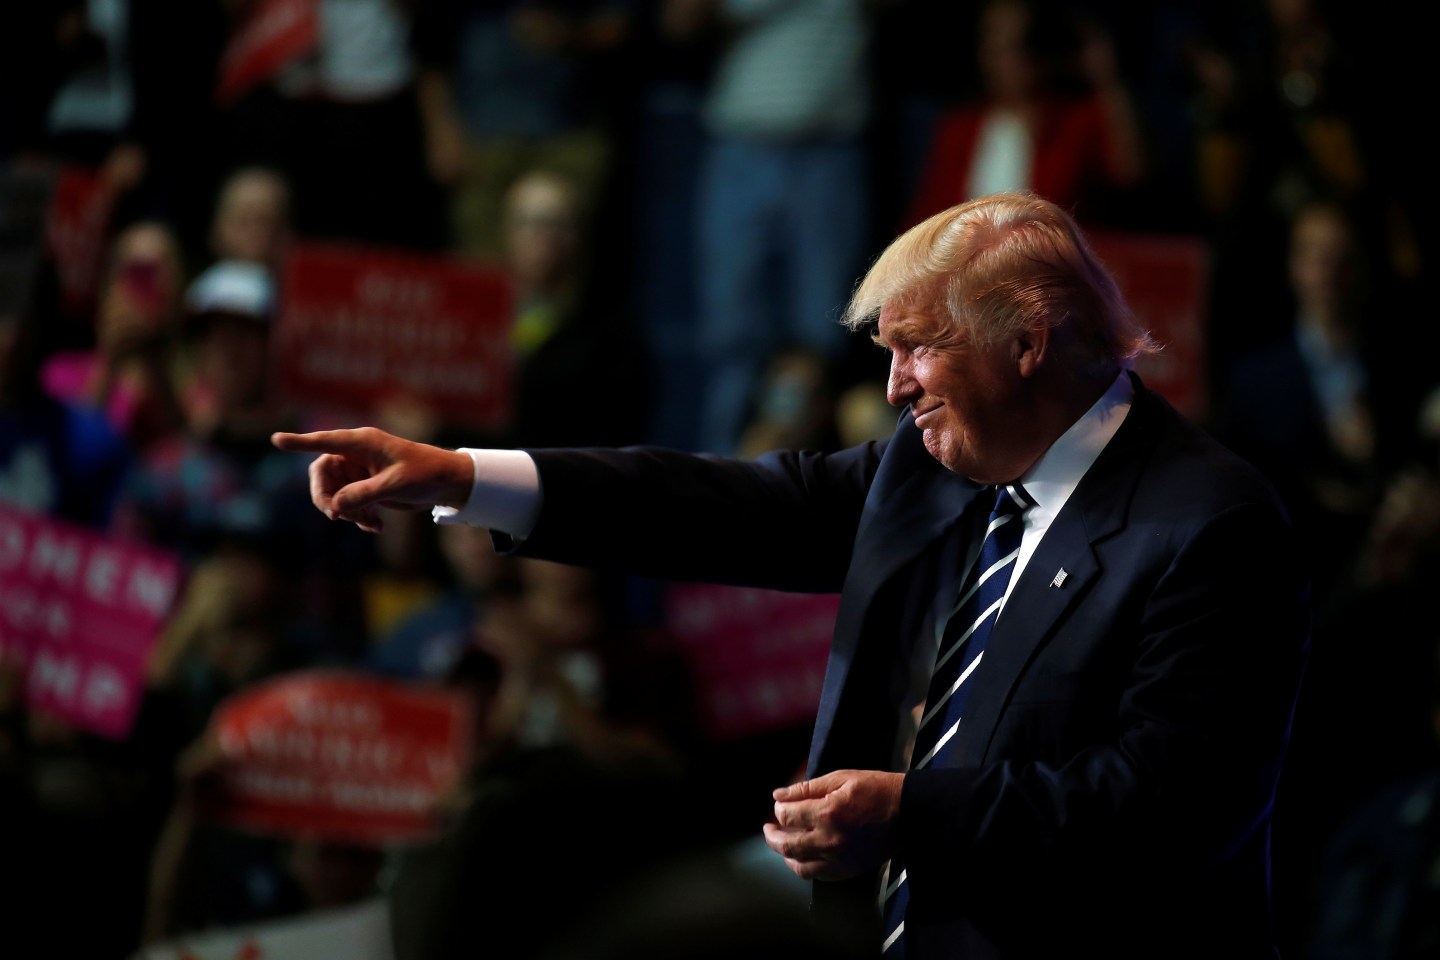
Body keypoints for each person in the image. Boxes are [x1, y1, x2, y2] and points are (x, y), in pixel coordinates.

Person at [272, 190, 1311, 959]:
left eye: (918, 350)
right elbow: (719, 507)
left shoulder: (1209, 525)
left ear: (1032, 343)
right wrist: (462, 477)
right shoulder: (933, 467)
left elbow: (1173, 811)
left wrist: (912, 814)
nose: (896, 386)